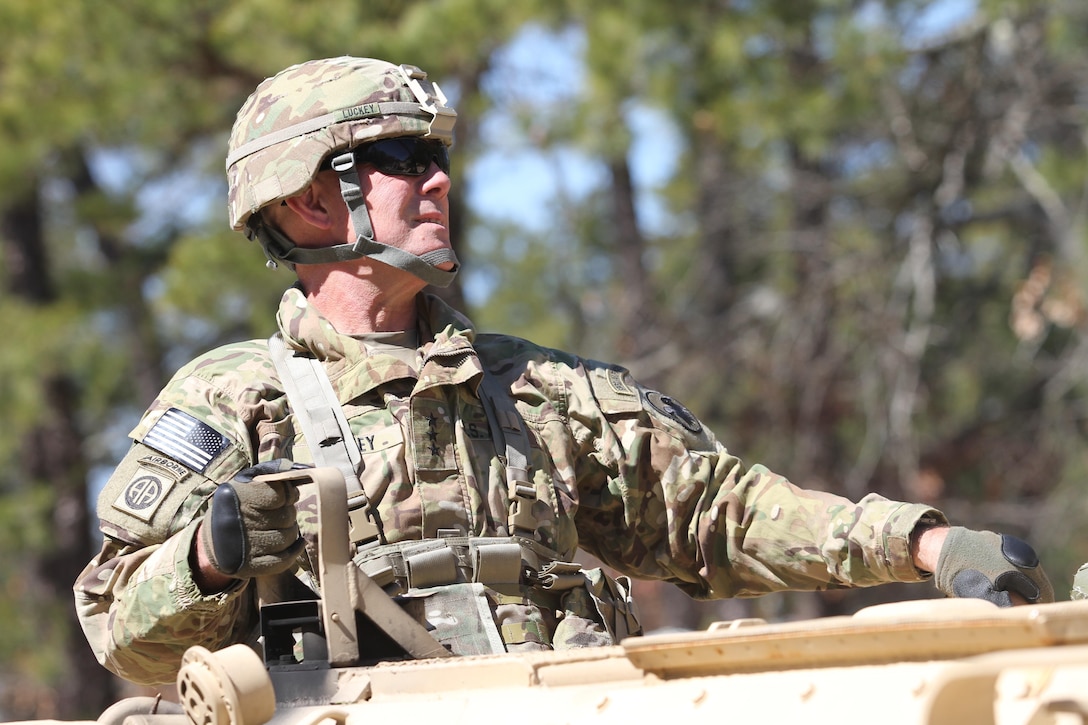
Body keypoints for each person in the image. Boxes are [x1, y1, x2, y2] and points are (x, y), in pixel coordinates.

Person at [74, 56, 1054, 686]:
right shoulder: (230, 403)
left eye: (436, 156)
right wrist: (206, 557)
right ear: (305, 206)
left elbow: (718, 512)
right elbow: (125, 634)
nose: (439, 178)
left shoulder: (538, 393)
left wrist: (923, 544)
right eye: (400, 157)